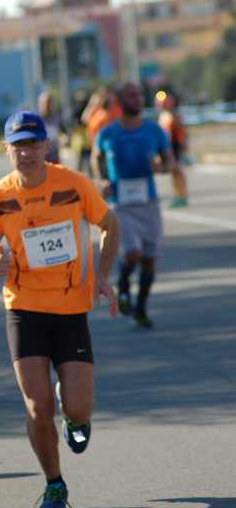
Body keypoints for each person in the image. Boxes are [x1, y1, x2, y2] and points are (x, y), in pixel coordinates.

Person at [0, 111, 119, 508]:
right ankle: (54, 485)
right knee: (37, 408)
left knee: (77, 409)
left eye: (33, 144)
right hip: (22, 308)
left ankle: (74, 414)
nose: (26, 153)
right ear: (6, 151)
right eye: (17, 146)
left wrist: (102, 276)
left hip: (71, 308)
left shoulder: (73, 185)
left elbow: (110, 223)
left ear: (45, 146)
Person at [91, 82, 174, 329]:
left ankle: (141, 307)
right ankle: (125, 285)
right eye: (131, 95)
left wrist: (162, 167)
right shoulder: (107, 133)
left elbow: (170, 163)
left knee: (149, 259)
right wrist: (101, 180)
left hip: (148, 203)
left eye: (139, 95)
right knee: (133, 253)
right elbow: (96, 158)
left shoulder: (154, 130)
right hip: (121, 204)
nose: (137, 99)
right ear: (120, 101)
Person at [157, 93, 189, 207]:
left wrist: (184, 146)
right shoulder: (163, 115)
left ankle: (182, 195)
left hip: (174, 147)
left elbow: (180, 133)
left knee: (177, 172)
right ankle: (178, 195)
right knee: (174, 173)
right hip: (167, 148)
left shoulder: (173, 115)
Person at [37, 91, 67, 164]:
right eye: (45, 103)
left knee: (56, 173)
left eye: (49, 102)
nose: (47, 105)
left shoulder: (57, 117)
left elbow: (64, 133)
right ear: (39, 104)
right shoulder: (35, 119)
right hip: (39, 154)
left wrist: (64, 139)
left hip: (54, 153)